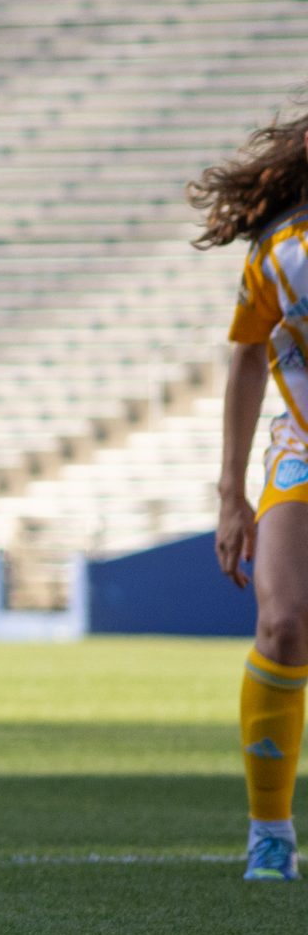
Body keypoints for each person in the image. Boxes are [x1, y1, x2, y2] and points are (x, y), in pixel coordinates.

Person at [201, 102, 308, 881]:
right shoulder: (282, 254)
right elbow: (245, 359)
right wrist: (231, 495)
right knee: (283, 623)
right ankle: (269, 830)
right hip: (302, 448)